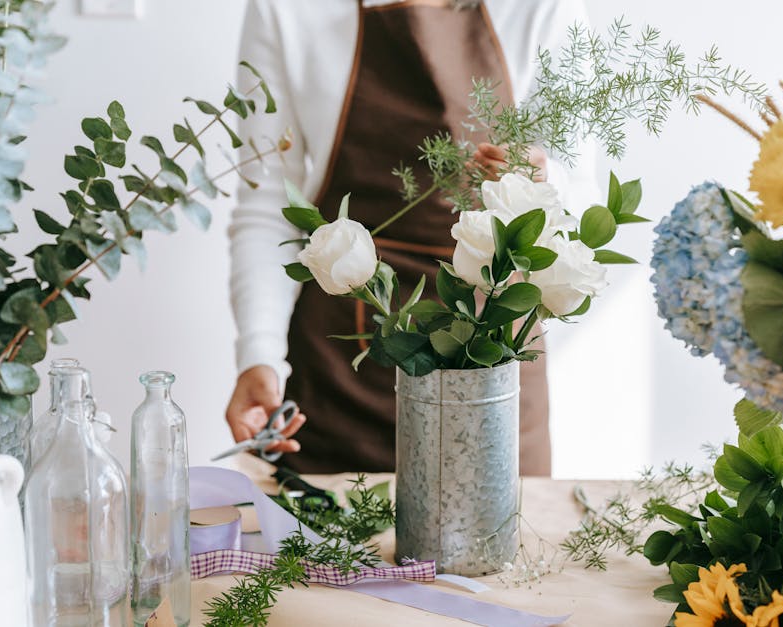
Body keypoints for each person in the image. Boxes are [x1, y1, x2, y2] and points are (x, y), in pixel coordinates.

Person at [225, 0, 599, 476]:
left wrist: (543, 180)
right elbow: (268, 207)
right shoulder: (287, 9)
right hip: (341, 372)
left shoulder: (544, 7)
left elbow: (581, 203)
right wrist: (258, 356)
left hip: (495, 363)